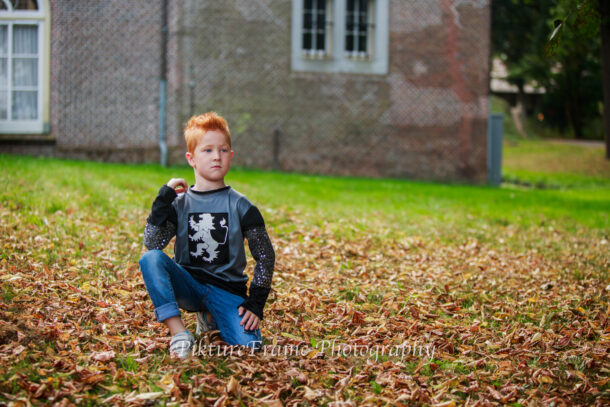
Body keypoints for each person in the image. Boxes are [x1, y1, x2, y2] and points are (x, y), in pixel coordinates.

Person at [139, 112, 275, 359]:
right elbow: (152, 244)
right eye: (208, 150)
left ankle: (211, 318)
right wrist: (163, 200)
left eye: (223, 150)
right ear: (191, 158)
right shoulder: (179, 204)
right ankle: (179, 333)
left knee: (250, 349)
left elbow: (265, 256)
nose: (216, 157)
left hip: (228, 291)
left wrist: (256, 303)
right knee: (150, 258)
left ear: (230, 156)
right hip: (189, 285)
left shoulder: (242, 206)